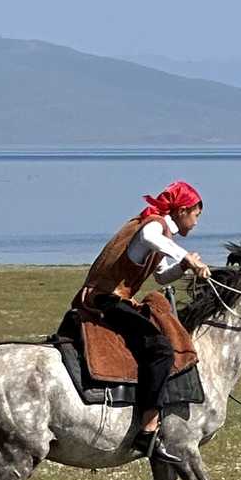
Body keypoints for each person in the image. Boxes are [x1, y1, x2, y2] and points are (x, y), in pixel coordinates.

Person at [73, 180, 209, 459]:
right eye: (196, 215)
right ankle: (147, 430)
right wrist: (187, 258)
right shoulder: (154, 224)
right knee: (161, 350)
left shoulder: (161, 237)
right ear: (182, 211)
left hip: (116, 299)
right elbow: (149, 237)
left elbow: (160, 276)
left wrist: (183, 266)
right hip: (105, 300)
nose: (196, 223)